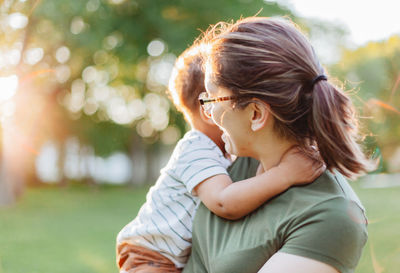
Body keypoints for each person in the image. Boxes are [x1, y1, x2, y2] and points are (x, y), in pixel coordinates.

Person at [183, 17, 375, 273]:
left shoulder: (330, 216)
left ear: (255, 114)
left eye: (213, 99)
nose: (208, 113)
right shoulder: (232, 159)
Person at [116, 44, 324, 273]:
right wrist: (285, 174)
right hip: (149, 256)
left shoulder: (226, 151)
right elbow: (224, 202)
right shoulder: (195, 149)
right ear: (208, 109)